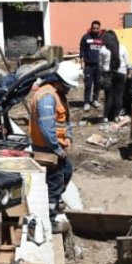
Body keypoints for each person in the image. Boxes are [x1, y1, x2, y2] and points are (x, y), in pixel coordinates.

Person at [26, 61, 80, 214]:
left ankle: (53, 201)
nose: (69, 89)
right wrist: (56, 147)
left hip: (55, 146)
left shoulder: (58, 94)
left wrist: (68, 136)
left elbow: (65, 119)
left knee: (66, 171)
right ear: (58, 81)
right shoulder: (47, 97)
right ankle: (51, 211)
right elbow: (47, 127)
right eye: (67, 86)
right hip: (47, 147)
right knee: (55, 179)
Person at [99, 30, 132, 123]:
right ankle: (116, 116)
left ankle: (106, 117)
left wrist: (102, 72)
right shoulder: (122, 47)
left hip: (108, 74)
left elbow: (100, 64)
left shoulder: (103, 49)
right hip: (121, 73)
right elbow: (128, 63)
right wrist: (127, 72)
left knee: (109, 96)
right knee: (119, 96)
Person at [78, 20, 106, 111]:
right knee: (88, 84)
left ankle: (94, 100)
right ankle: (86, 102)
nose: (95, 30)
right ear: (91, 28)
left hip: (99, 66)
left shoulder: (103, 38)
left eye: (97, 28)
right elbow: (82, 50)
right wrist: (82, 63)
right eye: (94, 28)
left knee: (98, 84)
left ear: (99, 28)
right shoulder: (86, 37)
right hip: (89, 65)